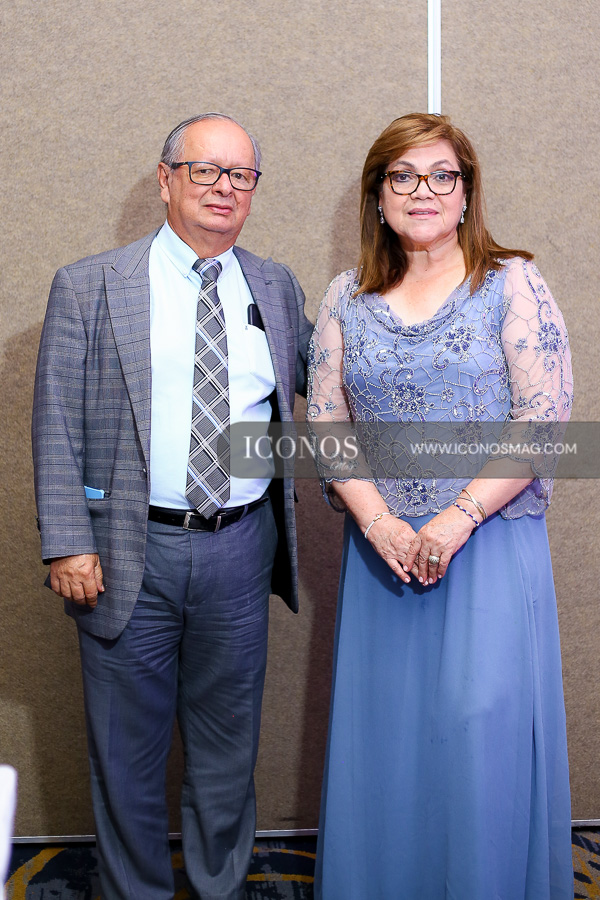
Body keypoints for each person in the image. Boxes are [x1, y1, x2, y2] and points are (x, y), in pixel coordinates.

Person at [32, 112, 312, 900]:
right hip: (126, 552)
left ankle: (222, 888)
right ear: (165, 180)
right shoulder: (91, 284)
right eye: (205, 170)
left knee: (228, 754)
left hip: (239, 547)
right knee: (126, 756)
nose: (226, 188)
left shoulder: (276, 285)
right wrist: (66, 541)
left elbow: (331, 377)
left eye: (242, 175)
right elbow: (55, 416)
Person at [307, 113, 573, 899]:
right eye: (402, 176)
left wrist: (456, 517)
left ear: (465, 193)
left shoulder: (512, 282)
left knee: (478, 742)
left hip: (486, 550)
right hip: (383, 557)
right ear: (378, 196)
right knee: (386, 749)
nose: (422, 191)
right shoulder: (345, 297)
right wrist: (381, 521)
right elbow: (324, 419)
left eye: (441, 175)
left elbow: (545, 417)